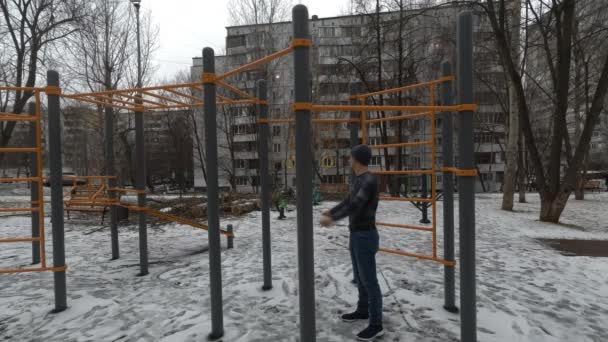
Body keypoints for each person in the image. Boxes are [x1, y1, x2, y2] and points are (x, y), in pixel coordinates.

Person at [319, 144, 383, 341]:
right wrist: (331, 212)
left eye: (350, 157)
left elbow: (355, 205)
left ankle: (376, 324)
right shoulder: (359, 180)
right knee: (360, 277)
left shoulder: (369, 180)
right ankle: (363, 310)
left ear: (356, 159)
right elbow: (348, 201)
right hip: (356, 235)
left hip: (366, 236)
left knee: (370, 281)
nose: (348, 160)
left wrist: (332, 219)